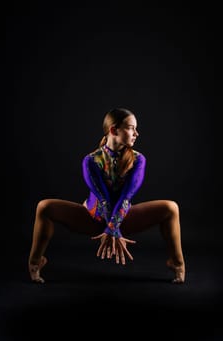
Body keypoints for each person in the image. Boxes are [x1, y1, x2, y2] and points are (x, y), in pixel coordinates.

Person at [28, 107, 185, 284]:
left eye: (135, 128)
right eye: (131, 128)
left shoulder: (138, 159)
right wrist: (112, 229)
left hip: (123, 218)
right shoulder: (91, 160)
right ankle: (35, 262)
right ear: (113, 130)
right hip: (92, 217)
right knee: (45, 206)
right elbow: (102, 198)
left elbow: (126, 196)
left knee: (171, 208)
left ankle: (177, 263)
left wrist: (113, 228)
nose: (136, 133)